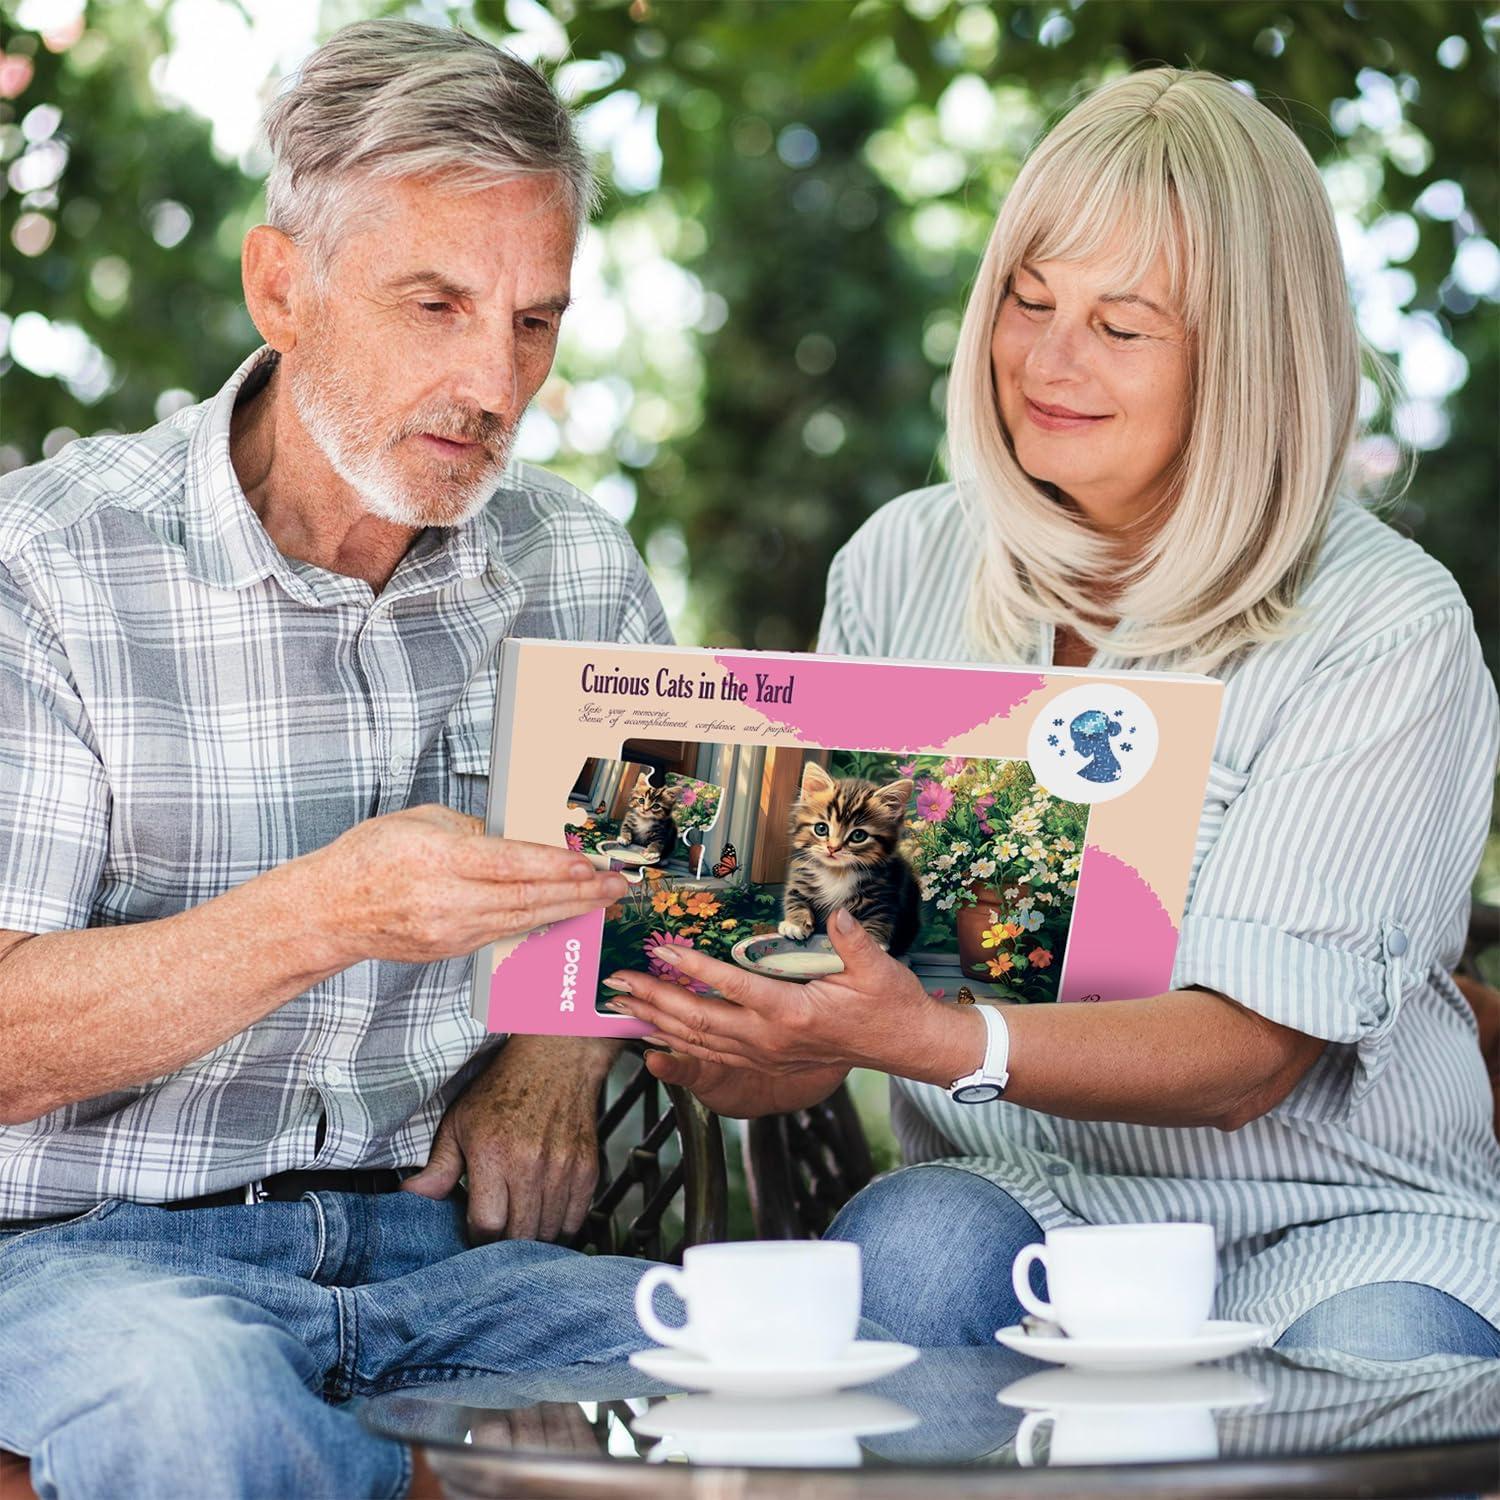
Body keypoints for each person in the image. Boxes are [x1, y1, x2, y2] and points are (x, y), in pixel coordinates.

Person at [609, 68, 1500, 1358]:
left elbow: (1252, 1062)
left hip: (1330, 1223)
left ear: (1252, 359)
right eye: (1028, 304)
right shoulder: (904, 564)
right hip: (1011, 1202)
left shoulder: (1386, 627)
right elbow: (834, 985)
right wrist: (736, 1034)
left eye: (1122, 326)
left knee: (1383, 1369)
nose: (1049, 361)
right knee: (902, 1272)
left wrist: (929, 1036)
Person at [0, 21, 666, 1500]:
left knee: (771, 1380)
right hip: (81, 1268)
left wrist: (556, 1056)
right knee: (197, 1410)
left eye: (535, 321)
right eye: (435, 302)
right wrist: (328, 915)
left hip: (448, 1266)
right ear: (281, 287)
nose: (493, 382)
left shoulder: (577, 568)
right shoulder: (45, 566)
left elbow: (642, 890)